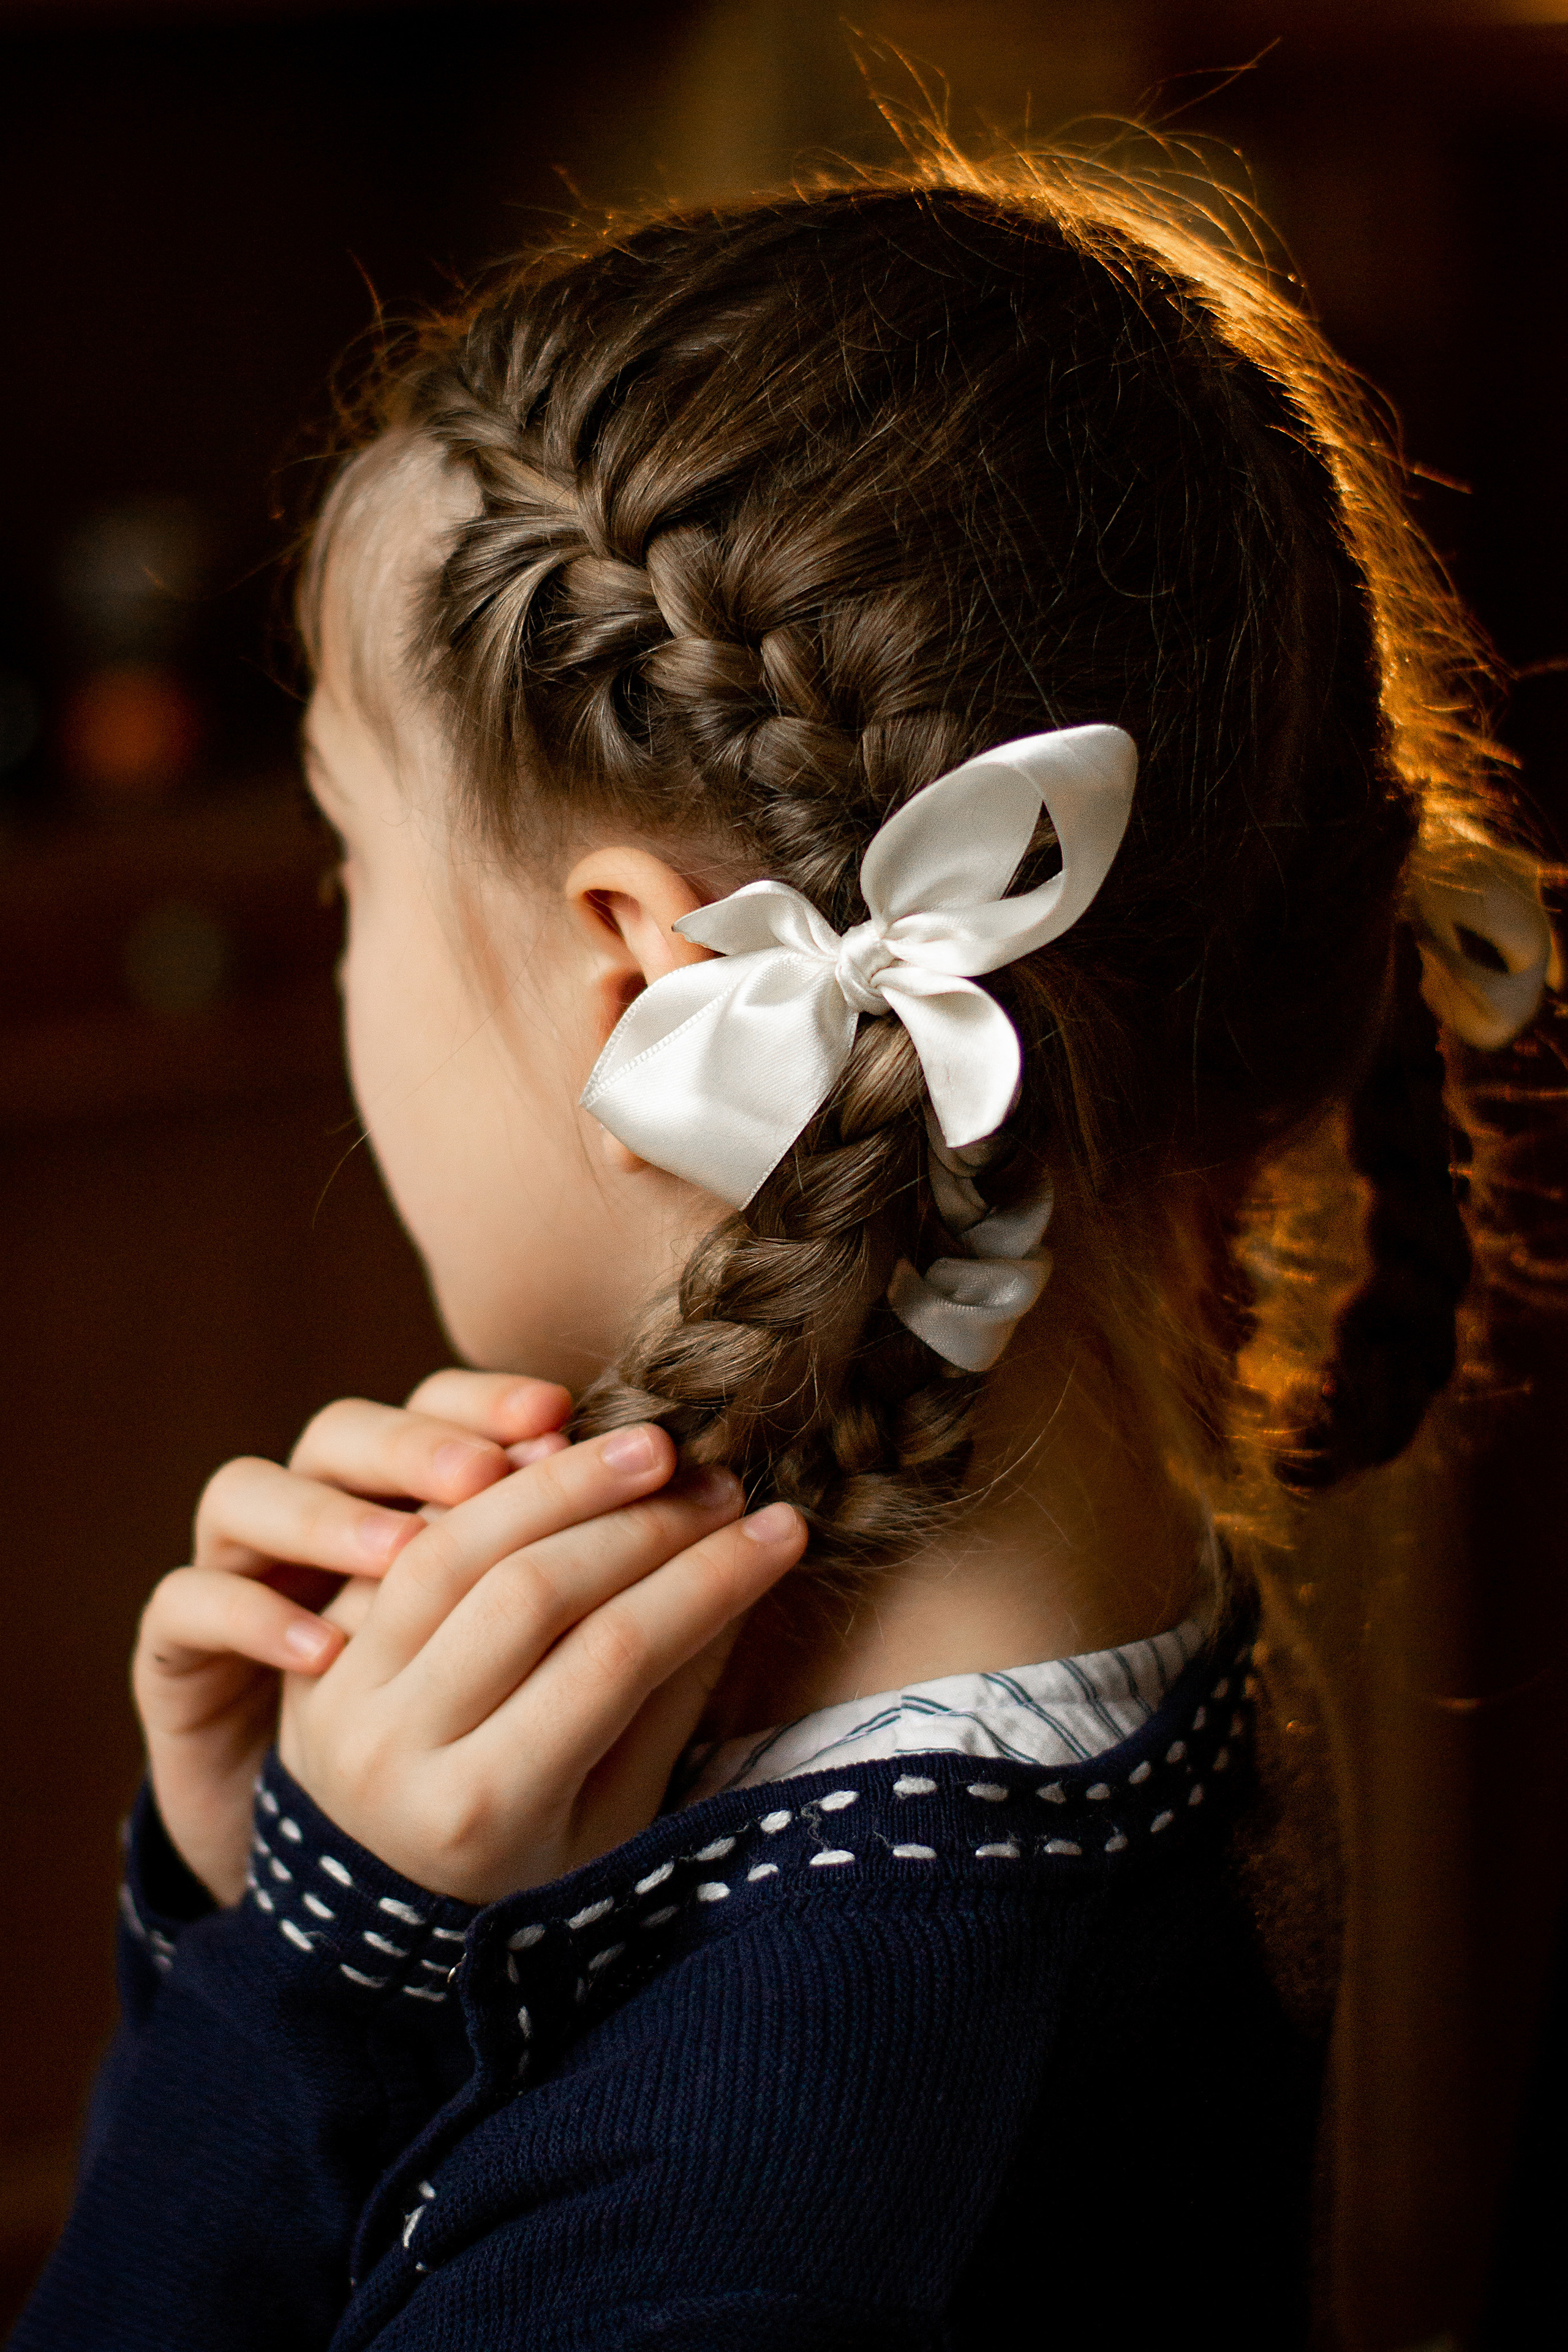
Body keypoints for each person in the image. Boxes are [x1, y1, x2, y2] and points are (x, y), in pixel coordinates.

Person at [15, 152, 1555, 2350]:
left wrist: (307, 2005)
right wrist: (294, 1909)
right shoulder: (1158, 1692)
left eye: (354, 867)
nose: (345, 952)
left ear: (647, 979)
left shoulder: (752, 2219)